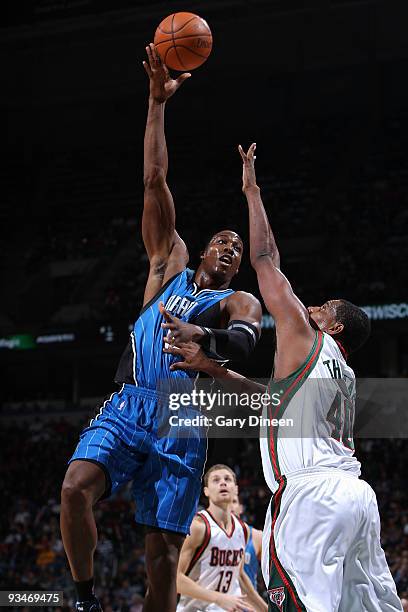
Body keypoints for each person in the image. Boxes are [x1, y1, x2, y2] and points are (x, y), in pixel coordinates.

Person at [59, 46, 262, 612]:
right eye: (223, 239)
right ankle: (84, 597)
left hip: (182, 420)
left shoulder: (234, 298)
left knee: (159, 567)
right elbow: (154, 179)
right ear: (201, 249)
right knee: (75, 489)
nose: (230, 247)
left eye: (238, 246)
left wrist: (208, 344)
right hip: (131, 403)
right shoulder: (164, 266)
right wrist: (155, 104)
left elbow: (247, 337)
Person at [164, 143, 403, 611]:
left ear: (332, 325)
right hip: (357, 498)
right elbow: (271, 401)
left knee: (293, 604)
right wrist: (215, 369)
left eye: (324, 307)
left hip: (312, 497)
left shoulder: (302, 334)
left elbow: (265, 258)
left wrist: (252, 192)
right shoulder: (342, 372)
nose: (312, 306)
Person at [177, 464, 267, 611]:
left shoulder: (243, 530)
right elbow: (176, 580)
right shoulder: (198, 527)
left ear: (236, 489)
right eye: (216, 480)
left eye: (227, 479)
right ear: (206, 491)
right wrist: (218, 598)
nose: (223, 483)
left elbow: (239, 574)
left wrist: (265, 609)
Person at [230, 495, 262, 591]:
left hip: (248, 603)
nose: (230, 506)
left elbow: (271, 574)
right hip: (220, 602)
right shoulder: (211, 534)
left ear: (241, 508)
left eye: (234, 501)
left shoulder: (257, 536)